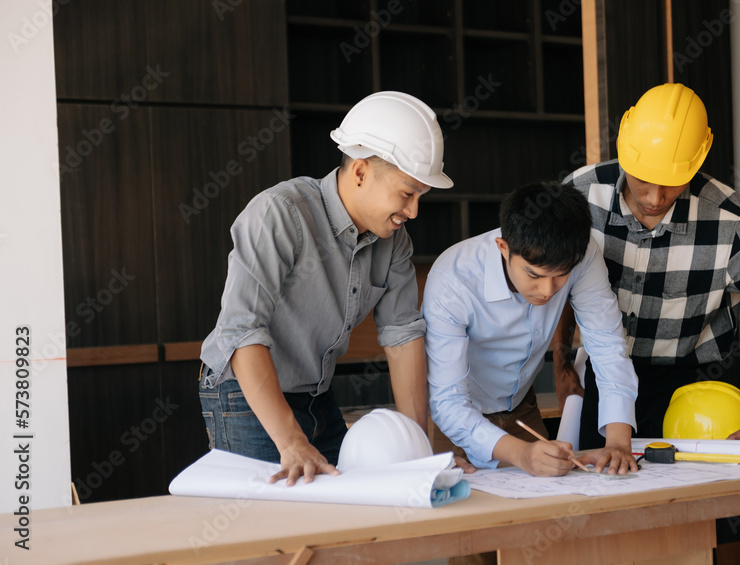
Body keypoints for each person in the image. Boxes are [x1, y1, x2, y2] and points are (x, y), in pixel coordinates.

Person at [199, 91, 453, 485]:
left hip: (316, 396)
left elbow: (402, 337)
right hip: (244, 396)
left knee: (342, 516)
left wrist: (415, 449)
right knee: (273, 533)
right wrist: (291, 441)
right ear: (361, 172)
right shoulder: (280, 214)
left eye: (422, 195)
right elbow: (241, 332)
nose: (414, 211)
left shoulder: (395, 241)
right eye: (406, 193)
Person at [554, 82, 740, 453]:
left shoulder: (731, 219)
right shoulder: (580, 196)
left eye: (673, 183)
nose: (655, 198)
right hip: (599, 375)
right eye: (643, 178)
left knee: (694, 504)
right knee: (602, 497)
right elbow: (554, 282)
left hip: (694, 385)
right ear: (624, 150)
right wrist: (561, 366)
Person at [423, 182, 639, 477]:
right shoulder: (453, 279)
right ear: (504, 248)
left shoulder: (582, 253)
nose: (547, 291)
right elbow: (447, 401)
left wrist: (618, 442)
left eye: (560, 277)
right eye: (533, 275)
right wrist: (522, 454)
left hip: (523, 410)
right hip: (455, 422)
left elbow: (607, 345)